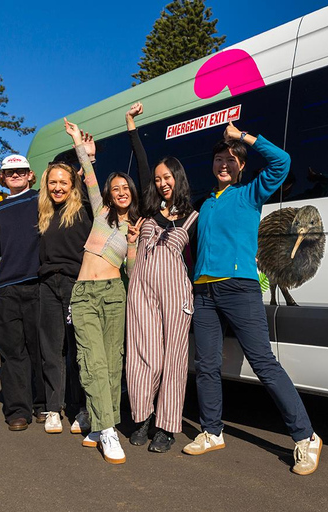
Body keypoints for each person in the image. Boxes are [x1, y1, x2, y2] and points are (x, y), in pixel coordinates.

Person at [185, 121, 322, 476]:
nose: (224, 164)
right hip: (204, 292)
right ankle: (212, 431)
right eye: (219, 159)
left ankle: (306, 437)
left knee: (263, 362)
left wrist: (242, 138)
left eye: (231, 159)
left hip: (239, 288)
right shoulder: (206, 205)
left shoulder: (249, 194)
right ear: (212, 165)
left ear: (242, 166)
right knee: (207, 366)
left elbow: (282, 162)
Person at [65, 118, 141, 464]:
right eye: (117, 188)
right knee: (91, 360)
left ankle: (99, 424)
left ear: (133, 193)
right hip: (84, 294)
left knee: (112, 364)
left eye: (126, 187)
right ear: (110, 193)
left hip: (114, 293)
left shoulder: (135, 226)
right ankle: (109, 432)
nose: (121, 191)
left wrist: (133, 243)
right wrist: (80, 145)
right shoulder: (101, 213)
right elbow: (89, 175)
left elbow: (132, 271)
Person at [123, 102, 199, 453]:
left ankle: (166, 427)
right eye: (157, 179)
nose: (161, 183)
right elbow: (140, 163)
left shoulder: (194, 216)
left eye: (167, 177)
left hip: (175, 293)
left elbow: (197, 261)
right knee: (144, 355)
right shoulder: (150, 212)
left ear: (178, 178)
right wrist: (131, 126)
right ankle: (140, 418)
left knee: (174, 358)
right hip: (142, 290)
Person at [37, 143, 93, 435]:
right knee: (52, 350)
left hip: (76, 285)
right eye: (53, 182)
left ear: (73, 186)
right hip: (48, 286)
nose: (58, 187)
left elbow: (95, 189)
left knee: (78, 351)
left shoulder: (83, 211)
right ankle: (53, 409)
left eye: (63, 182)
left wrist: (88, 158)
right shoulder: (44, 214)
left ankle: (81, 408)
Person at [0, 154, 46, 431]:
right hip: (8, 288)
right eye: (10, 172)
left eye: (21, 171)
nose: (16, 175)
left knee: (41, 348)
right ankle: (17, 411)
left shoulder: (41, 200)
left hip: (38, 284)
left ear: (29, 175)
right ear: (3, 176)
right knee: (12, 352)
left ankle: (43, 405)